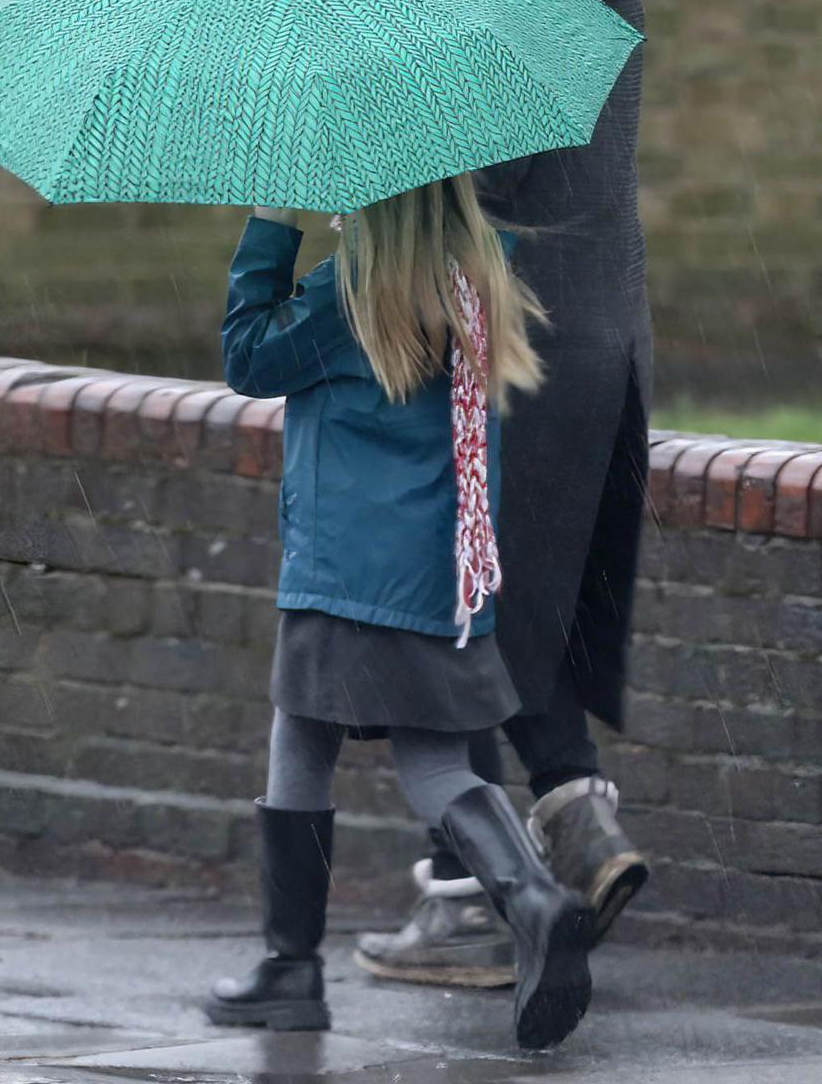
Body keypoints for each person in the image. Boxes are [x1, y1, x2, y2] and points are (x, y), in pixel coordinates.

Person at [354, 0, 653, 989]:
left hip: (511, 348)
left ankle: (473, 903)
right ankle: (578, 826)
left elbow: (461, 170)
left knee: (459, 622)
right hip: (597, 341)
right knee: (516, 614)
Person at [205, 180, 596, 1051]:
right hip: (437, 569)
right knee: (426, 761)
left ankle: (294, 967)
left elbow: (246, 358)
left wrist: (274, 218)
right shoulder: (478, 278)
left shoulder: (351, 296)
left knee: (303, 743)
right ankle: (529, 899)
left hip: (347, 566)